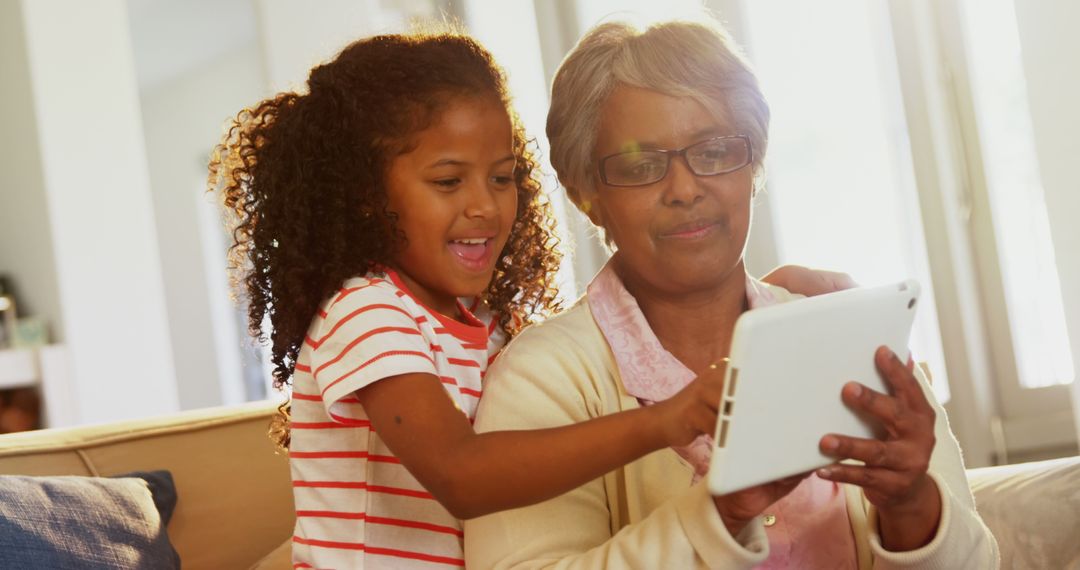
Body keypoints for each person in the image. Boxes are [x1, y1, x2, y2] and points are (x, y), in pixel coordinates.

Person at [209, 29, 844, 569]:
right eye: (448, 180)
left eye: (503, 176)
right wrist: (663, 421)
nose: (484, 205)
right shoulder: (366, 311)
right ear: (364, 195)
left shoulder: (479, 326)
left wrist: (774, 290)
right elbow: (462, 474)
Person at [465, 19, 1000, 569]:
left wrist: (912, 506)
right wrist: (717, 515)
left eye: (715, 151)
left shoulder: (853, 338)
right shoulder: (541, 380)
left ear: (754, 164)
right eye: (641, 166)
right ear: (585, 196)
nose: (685, 189)